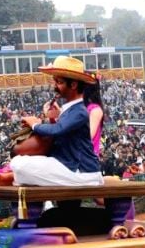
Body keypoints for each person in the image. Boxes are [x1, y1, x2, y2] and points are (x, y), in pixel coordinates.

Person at [10, 56, 104, 187]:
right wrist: (49, 119)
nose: (55, 86)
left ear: (73, 84)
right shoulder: (71, 109)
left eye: (59, 82)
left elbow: (58, 130)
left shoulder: (80, 111)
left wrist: (35, 124)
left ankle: (14, 178)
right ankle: (15, 178)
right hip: (68, 166)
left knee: (19, 165)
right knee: (18, 162)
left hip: (81, 172)